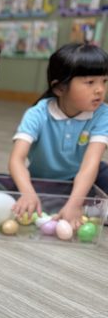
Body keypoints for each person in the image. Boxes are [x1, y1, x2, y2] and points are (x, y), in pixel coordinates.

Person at [9, 43, 108, 230]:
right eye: (90, 82)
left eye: (104, 81)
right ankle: (87, 207)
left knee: (103, 173)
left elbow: (90, 164)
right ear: (60, 88)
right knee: (23, 194)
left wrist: (75, 203)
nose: (100, 89)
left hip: (84, 175)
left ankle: (85, 207)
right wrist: (28, 193)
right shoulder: (37, 114)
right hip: (45, 179)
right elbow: (17, 159)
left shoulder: (103, 114)